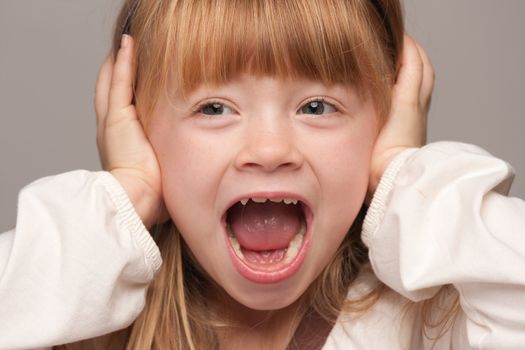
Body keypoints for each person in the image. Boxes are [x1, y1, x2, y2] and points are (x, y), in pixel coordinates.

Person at [1, 0, 524, 349]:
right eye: (213, 108)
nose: (270, 150)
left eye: (318, 107)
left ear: (384, 122)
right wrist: (129, 193)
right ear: (139, 126)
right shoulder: (87, 322)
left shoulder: (433, 321)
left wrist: (403, 176)